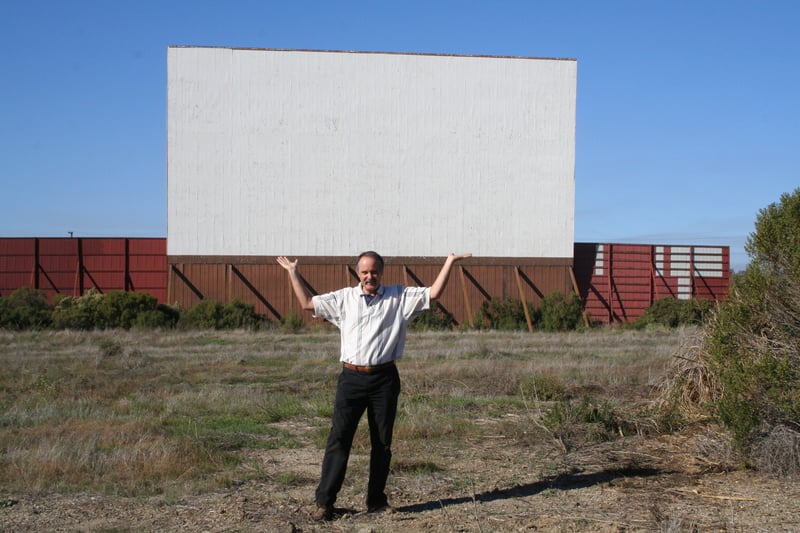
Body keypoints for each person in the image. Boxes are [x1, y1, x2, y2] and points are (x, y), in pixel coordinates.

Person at [276, 251, 472, 521]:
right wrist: (292, 273)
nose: (370, 276)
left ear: (381, 272)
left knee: (382, 443)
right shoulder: (344, 298)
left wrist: (449, 262)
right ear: (358, 273)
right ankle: (325, 502)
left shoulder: (399, 297)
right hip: (351, 379)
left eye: (374, 271)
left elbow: (435, 293)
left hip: (384, 379)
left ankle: (376, 501)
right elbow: (307, 303)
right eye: (365, 272)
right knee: (339, 439)